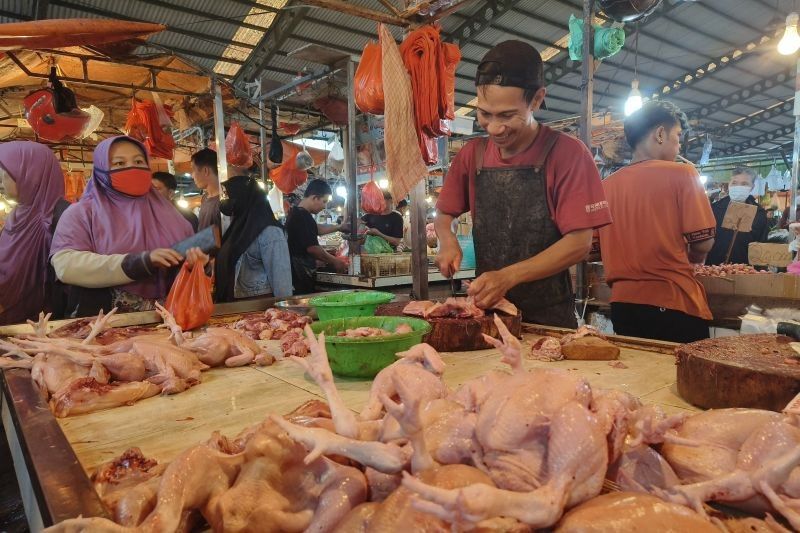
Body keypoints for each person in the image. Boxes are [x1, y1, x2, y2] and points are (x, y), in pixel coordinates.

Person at [435, 40, 612, 327]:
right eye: (485, 114)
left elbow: (579, 244)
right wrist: (447, 240)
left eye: (507, 115)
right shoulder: (472, 155)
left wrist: (508, 276)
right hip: (488, 317)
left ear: (537, 99)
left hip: (548, 320)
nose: (494, 128)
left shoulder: (567, 154)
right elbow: (444, 215)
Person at [595, 101, 715, 343]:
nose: (679, 145)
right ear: (660, 134)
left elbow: (593, 249)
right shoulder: (683, 173)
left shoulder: (605, 187)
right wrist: (689, 257)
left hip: (623, 306)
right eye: (678, 136)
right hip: (673, 302)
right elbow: (703, 243)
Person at [50, 136, 206, 316]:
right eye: (119, 163)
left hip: (171, 321)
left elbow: (187, 262)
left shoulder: (172, 216)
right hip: (107, 325)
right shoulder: (82, 213)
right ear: (101, 169)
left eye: (139, 161)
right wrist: (139, 262)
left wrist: (197, 264)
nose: (132, 168)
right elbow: (65, 265)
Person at [0, 141, 70, 325]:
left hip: (43, 326)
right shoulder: (18, 214)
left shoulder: (61, 218)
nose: (0, 183)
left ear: (30, 174)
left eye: (4, 176)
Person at [214, 174, 292, 302]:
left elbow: (281, 280)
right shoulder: (237, 227)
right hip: (235, 305)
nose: (226, 200)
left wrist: (285, 314)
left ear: (243, 197)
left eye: (229, 195)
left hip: (257, 309)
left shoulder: (270, 231)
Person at [286, 179, 348, 294]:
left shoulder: (296, 212)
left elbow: (316, 229)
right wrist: (335, 261)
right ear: (315, 198)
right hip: (300, 275)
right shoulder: (303, 216)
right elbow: (313, 249)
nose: (324, 206)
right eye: (324, 201)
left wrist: (339, 227)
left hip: (296, 272)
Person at [706, 167, 769, 266]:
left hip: (745, 270)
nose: (738, 187)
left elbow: (762, 245)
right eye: (734, 183)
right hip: (714, 267)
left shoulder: (759, 213)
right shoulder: (714, 209)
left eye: (744, 184)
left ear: (752, 187)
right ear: (729, 185)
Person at [191, 148, 221, 231]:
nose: (192, 176)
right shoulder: (204, 198)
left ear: (205, 171)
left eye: (193, 170)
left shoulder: (224, 201)